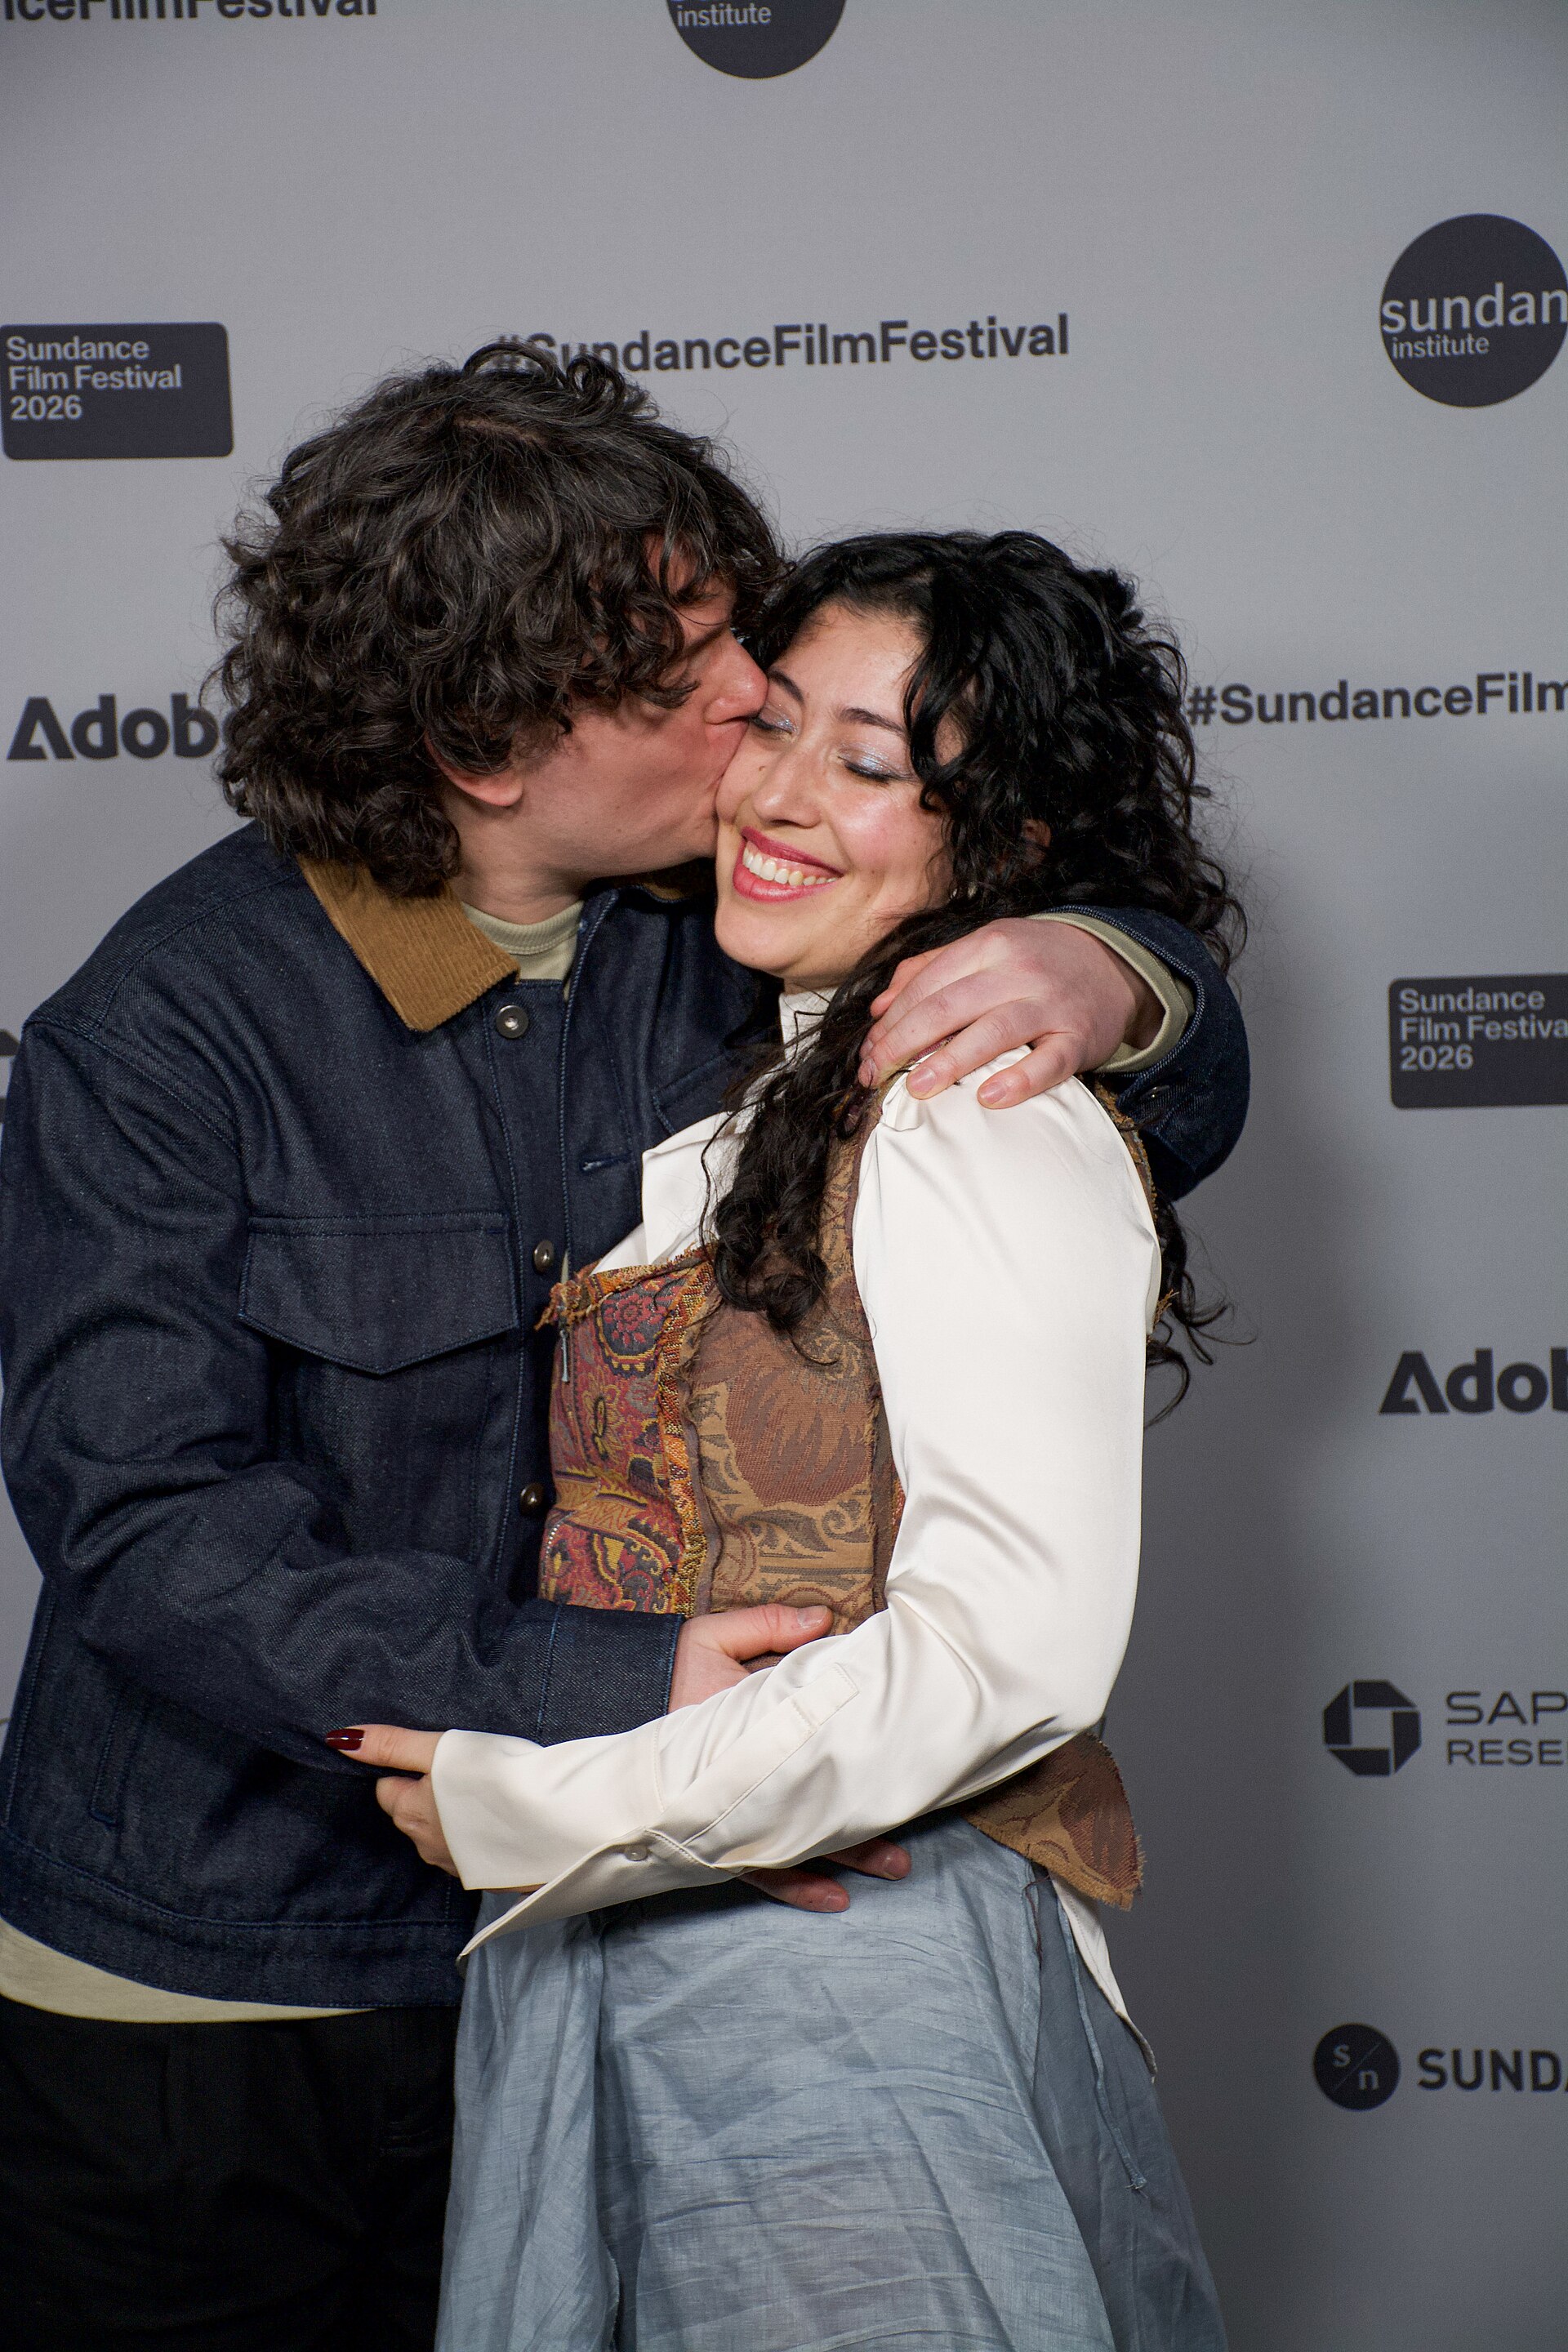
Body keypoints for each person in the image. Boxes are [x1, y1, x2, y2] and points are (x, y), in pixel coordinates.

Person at [0, 350, 1246, 2350]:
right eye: (702, 690)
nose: (760, 712)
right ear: (494, 745)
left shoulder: (730, 924)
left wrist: (1122, 969)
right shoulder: (159, 1038)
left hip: (612, 1915)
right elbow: (150, 1531)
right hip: (227, 2003)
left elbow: (1056, 1068)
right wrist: (612, 1706)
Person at [359, 529, 1239, 2352]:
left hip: (856, 1984)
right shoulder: (741, 1058)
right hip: (625, 1958)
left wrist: (533, 1798)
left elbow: (1010, 1655)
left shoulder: (972, 1101)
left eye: (871, 765)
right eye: (774, 728)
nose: (777, 795)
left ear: (998, 851)